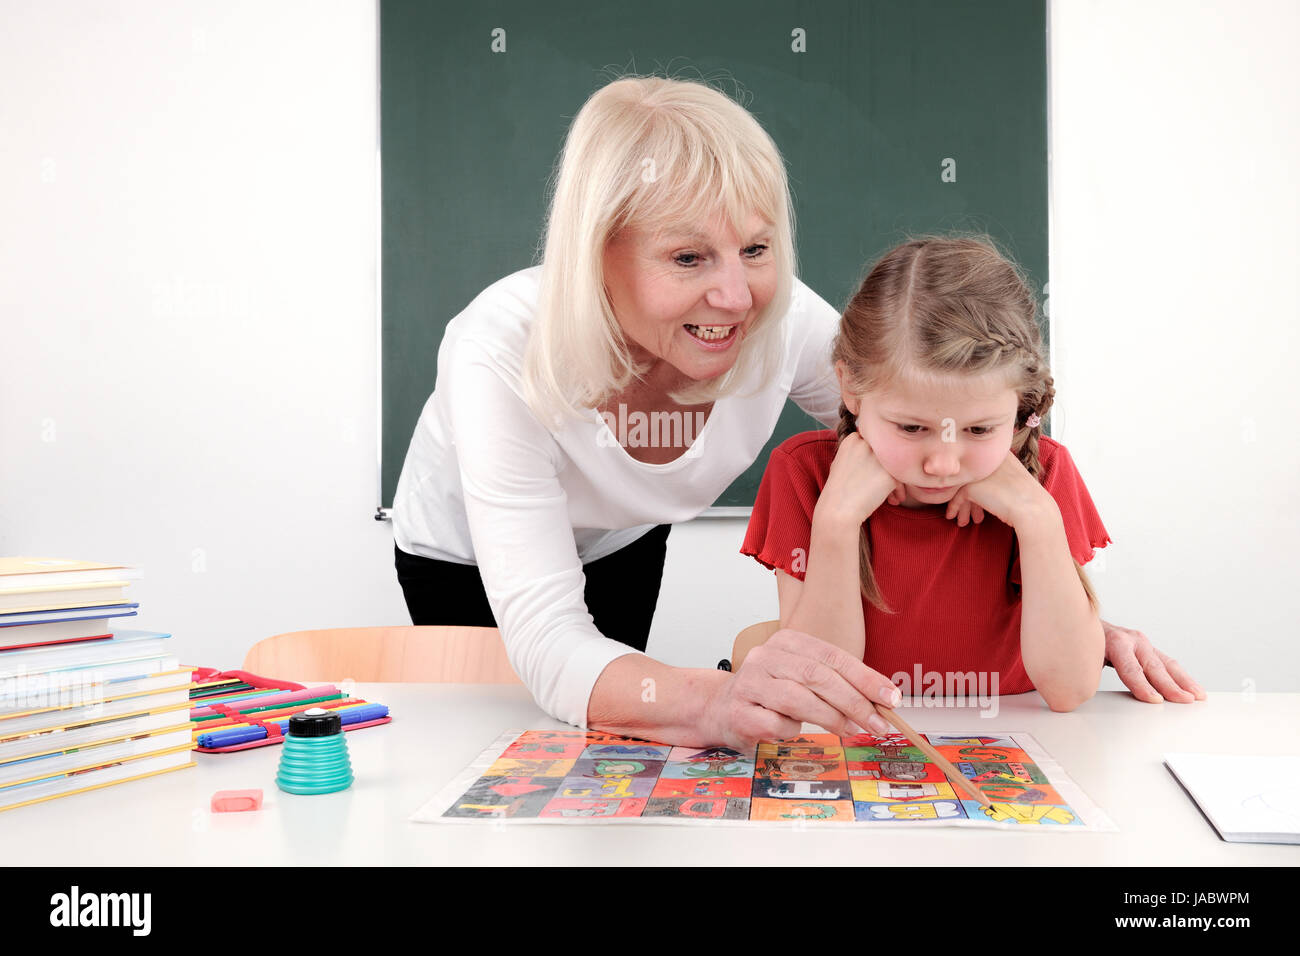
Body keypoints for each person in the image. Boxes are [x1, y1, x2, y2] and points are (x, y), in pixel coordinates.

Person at [392, 77, 1201, 751]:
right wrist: (714, 702)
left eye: (755, 248)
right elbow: (547, 640)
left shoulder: (783, 326)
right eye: (686, 257)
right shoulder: (498, 352)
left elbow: (930, 411)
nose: (737, 298)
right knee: (503, 738)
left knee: (609, 731)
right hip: (463, 558)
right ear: (599, 251)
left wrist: (1077, 620)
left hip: (628, 536)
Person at [742, 235, 1148, 710]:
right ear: (851, 387)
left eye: (978, 430)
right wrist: (836, 522)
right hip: (864, 743)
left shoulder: (1046, 474)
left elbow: (1070, 691)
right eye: (912, 427)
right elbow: (817, 686)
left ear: (1022, 408)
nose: (942, 464)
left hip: (1018, 745)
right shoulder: (803, 473)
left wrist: (1037, 520)